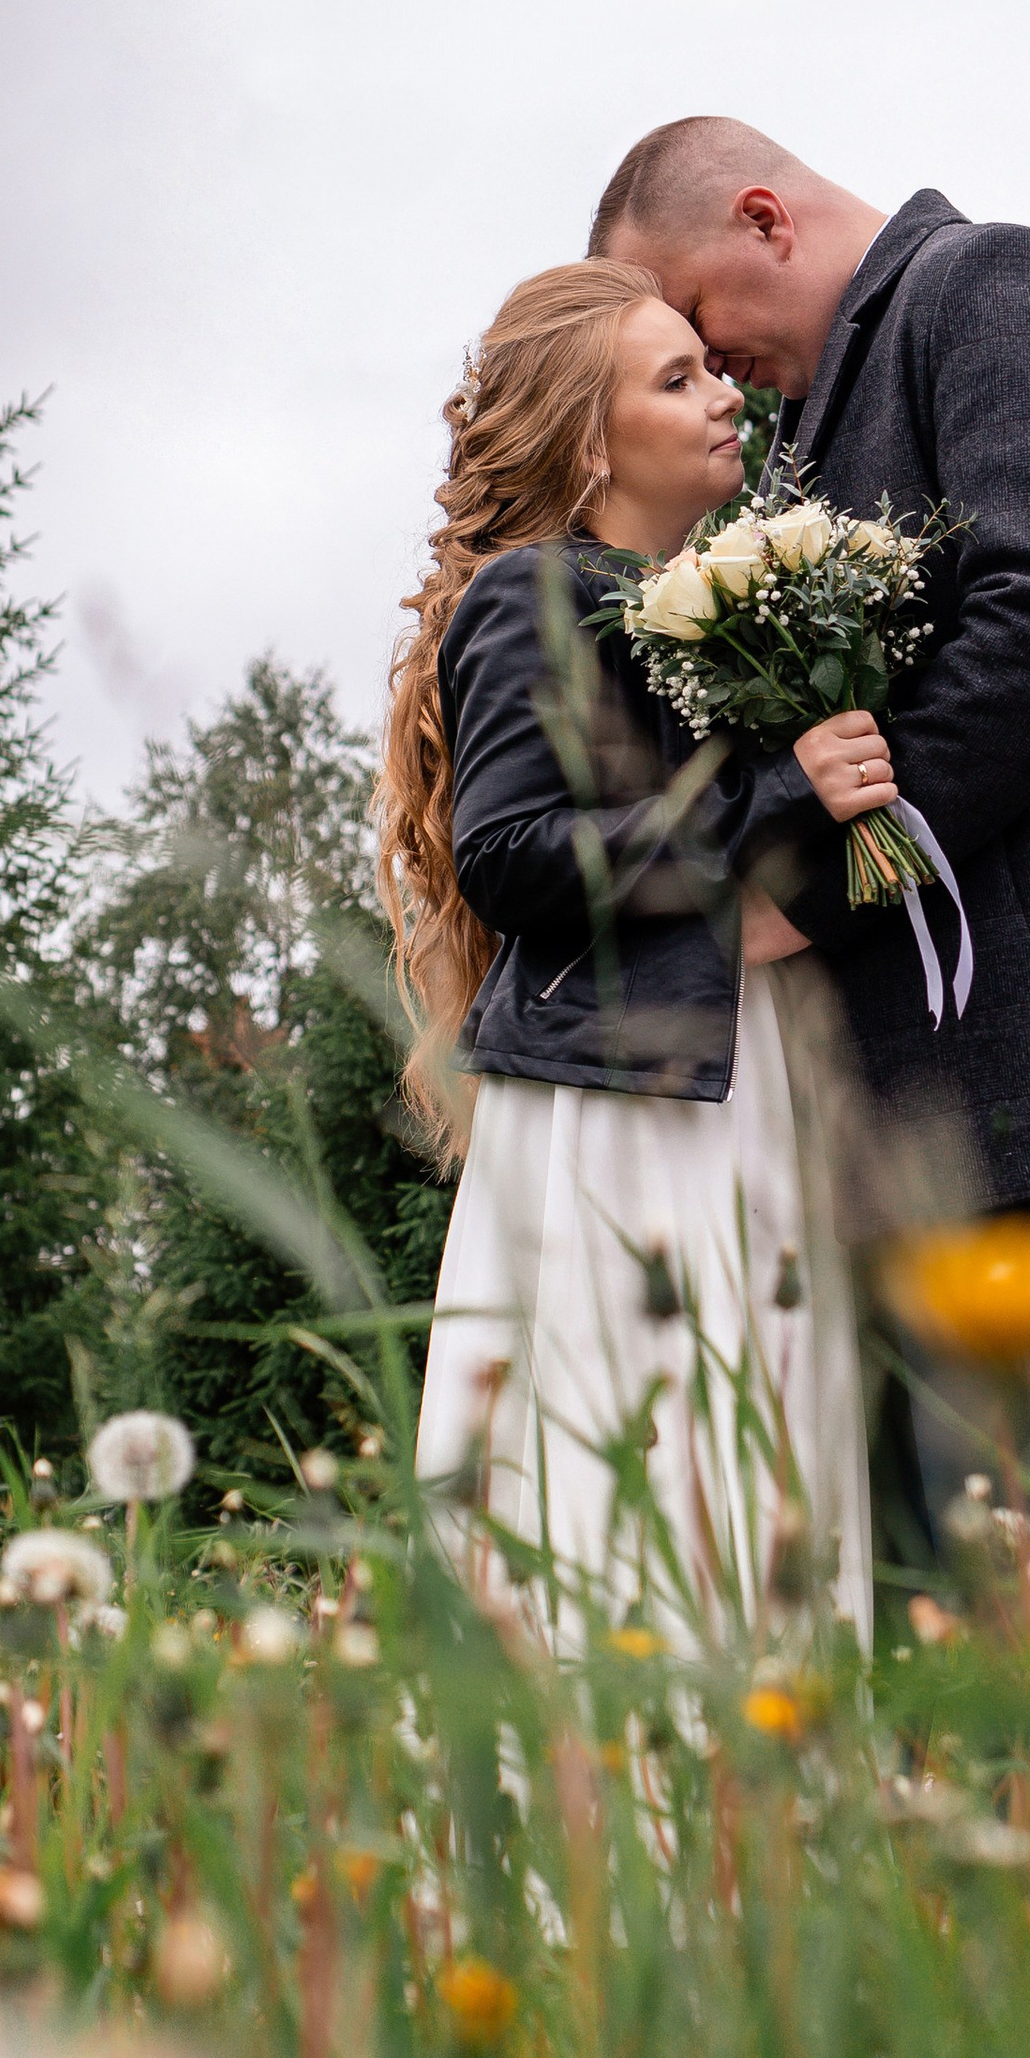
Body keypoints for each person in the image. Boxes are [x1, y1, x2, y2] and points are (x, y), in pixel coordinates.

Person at [588, 117, 1030, 1557]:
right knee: (944, 1525)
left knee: (1012, 1519)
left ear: (764, 218)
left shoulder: (995, 285)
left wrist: (814, 883)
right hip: (907, 1055)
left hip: (1003, 1020)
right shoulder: (811, 425)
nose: (710, 361)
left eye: (699, 315)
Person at [378, 259, 896, 1642]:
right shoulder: (532, 598)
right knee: (634, 1467)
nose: (726, 395)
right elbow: (509, 852)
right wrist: (777, 797)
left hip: (744, 1075)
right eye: (679, 378)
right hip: (621, 1106)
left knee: (759, 1455)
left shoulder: (710, 605)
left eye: (714, 369)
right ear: (591, 443)